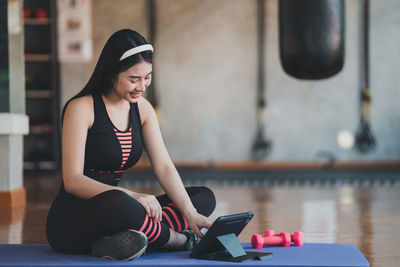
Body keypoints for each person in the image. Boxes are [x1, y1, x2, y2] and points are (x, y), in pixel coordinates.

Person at [46, 29, 216, 261]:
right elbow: (73, 181)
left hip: (120, 211)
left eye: (147, 77)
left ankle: (127, 239)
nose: (142, 86)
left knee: (203, 198)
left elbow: (164, 166)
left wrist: (190, 212)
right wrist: (132, 197)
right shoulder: (81, 108)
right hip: (74, 220)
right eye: (133, 79)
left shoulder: (142, 109)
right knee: (119, 203)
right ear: (111, 74)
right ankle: (177, 240)